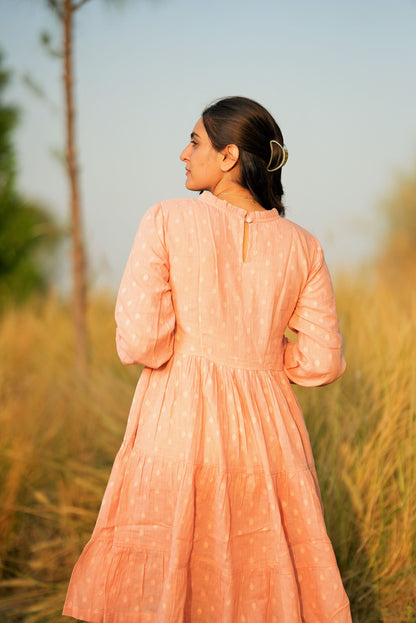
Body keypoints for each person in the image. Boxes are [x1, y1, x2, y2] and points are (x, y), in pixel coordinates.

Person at [63, 96, 352, 622]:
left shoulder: (166, 220)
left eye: (195, 141)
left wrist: (200, 346)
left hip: (180, 413)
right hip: (269, 431)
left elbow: (141, 340)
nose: (182, 153)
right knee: (255, 557)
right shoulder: (303, 246)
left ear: (228, 156)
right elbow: (321, 361)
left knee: (172, 554)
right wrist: (261, 353)